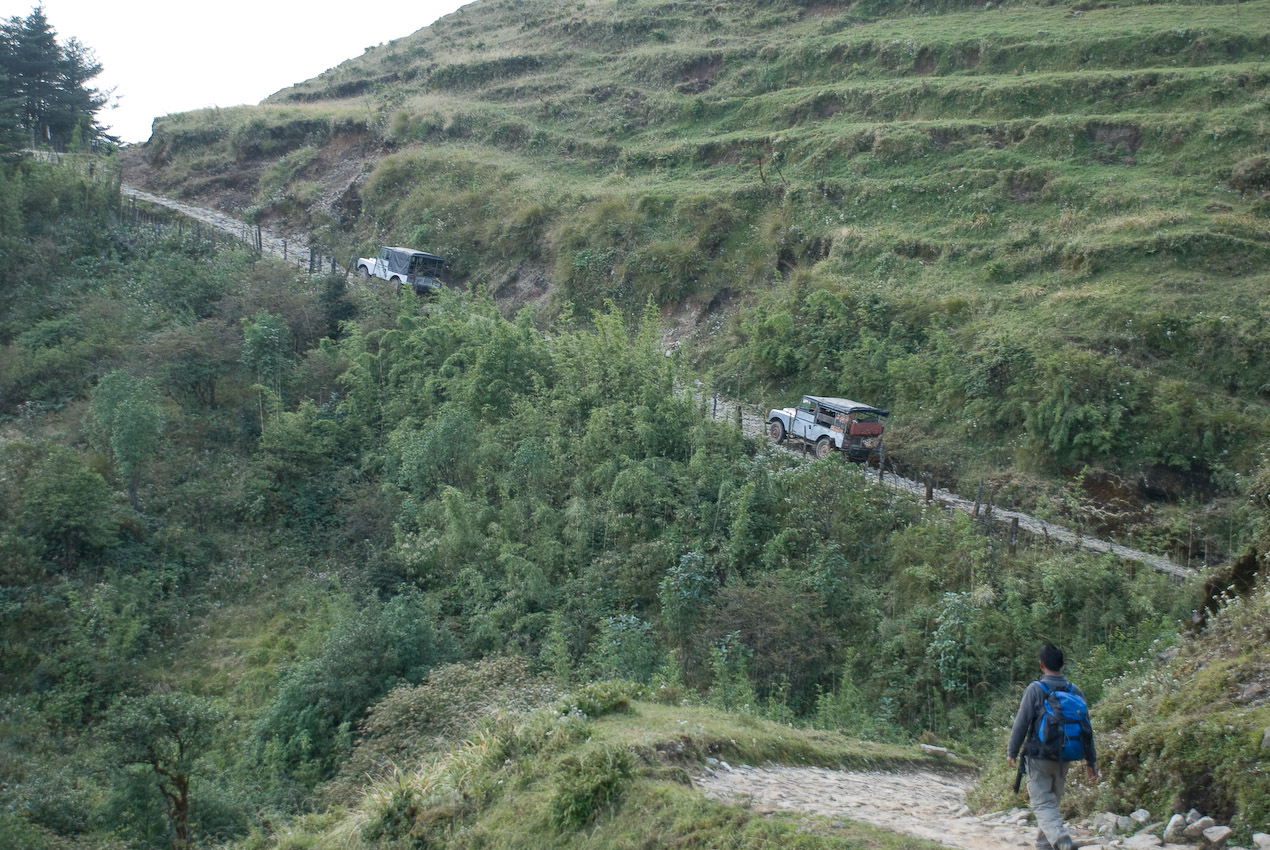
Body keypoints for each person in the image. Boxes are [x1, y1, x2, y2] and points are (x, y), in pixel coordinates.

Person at [1007, 642, 1098, 850]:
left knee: (1042, 803)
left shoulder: (1035, 689)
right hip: (1065, 757)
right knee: (1051, 803)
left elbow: (1022, 722)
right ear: (1062, 664)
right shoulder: (1074, 690)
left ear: (1041, 665)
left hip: (1039, 756)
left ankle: (1061, 839)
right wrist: (1091, 761)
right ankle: (1045, 844)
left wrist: (1012, 751)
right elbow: (1087, 729)